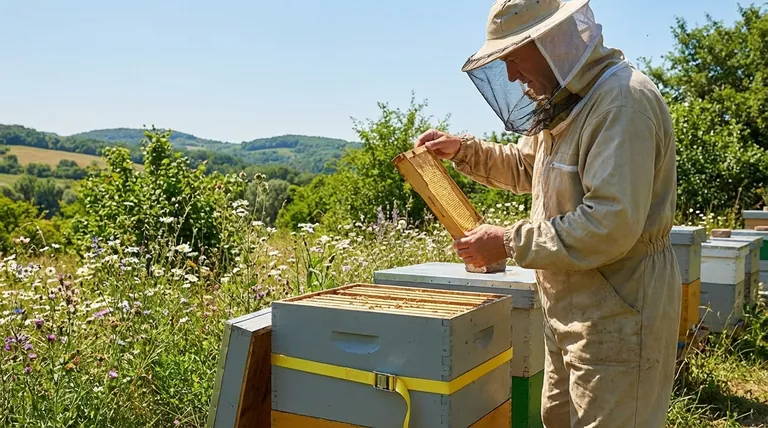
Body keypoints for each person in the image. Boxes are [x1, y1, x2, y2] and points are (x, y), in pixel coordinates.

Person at [414, 0, 681, 427]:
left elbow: (610, 224)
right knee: (556, 418)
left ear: (551, 43)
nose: (511, 76)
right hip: (567, 307)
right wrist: (463, 151)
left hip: (621, 309)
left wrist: (506, 241)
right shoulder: (566, 103)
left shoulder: (620, 104)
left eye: (514, 59)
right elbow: (528, 168)